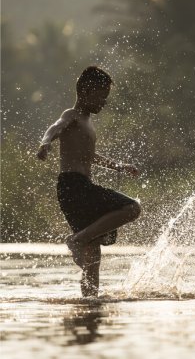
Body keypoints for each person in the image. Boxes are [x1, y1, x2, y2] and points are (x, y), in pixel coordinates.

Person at [36, 66, 141, 297]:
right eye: (100, 96)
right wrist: (46, 143)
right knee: (133, 207)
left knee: (92, 255)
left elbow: (89, 156)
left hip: (74, 189)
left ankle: (89, 305)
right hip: (74, 186)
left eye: (106, 97)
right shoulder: (71, 115)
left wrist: (118, 166)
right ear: (84, 91)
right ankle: (76, 239)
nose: (103, 102)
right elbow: (54, 128)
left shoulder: (87, 122)